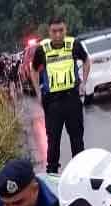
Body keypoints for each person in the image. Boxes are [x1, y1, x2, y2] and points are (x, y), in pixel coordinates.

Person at [32, 17, 90, 175]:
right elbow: (34, 70)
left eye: (61, 30)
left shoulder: (74, 45)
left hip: (72, 98)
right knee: (53, 141)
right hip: (52, 103)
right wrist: (38, 92)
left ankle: (81, 173)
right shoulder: (42, 49)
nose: (58, 35)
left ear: (66, 30)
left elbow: (86, 60)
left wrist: (83, 83)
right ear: (49, 32)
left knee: (77, 139)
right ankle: (52, 174)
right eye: (54, 31)